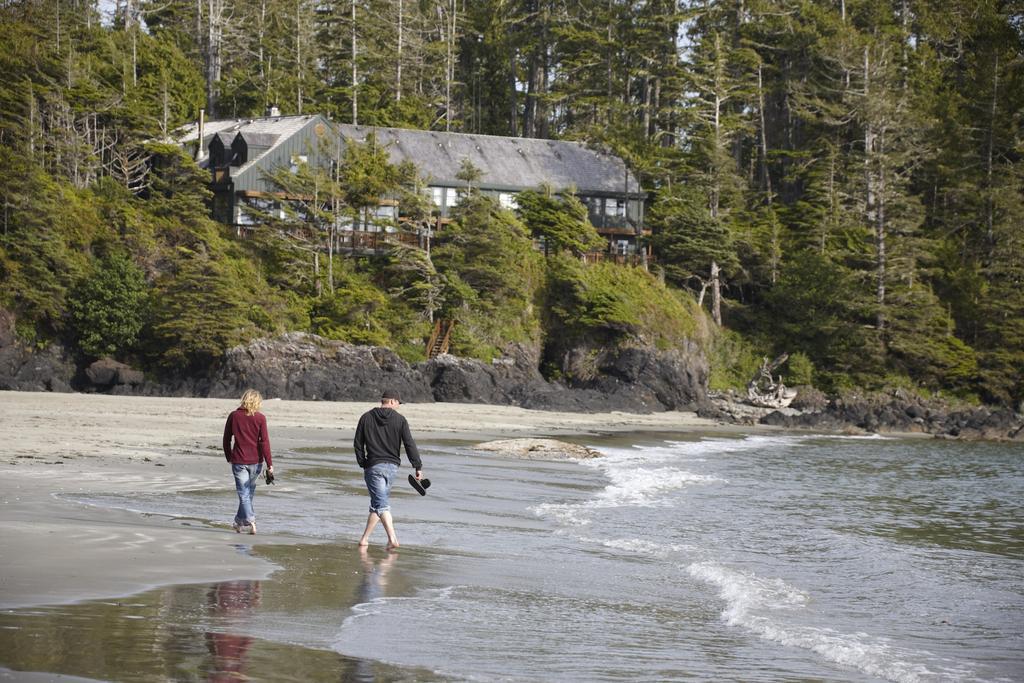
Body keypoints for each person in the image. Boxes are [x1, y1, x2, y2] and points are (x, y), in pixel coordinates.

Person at [354, 389, 423, 549]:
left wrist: (362, 462)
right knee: (378, 502)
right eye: (398, 403)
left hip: (374, 466)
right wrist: (417, 465)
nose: (399, 406)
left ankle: (392, 539)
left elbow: (358, 444)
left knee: (380, 503)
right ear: (392, 401)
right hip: (392, 467)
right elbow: (409, 443)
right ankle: (364, 539)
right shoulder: (400, 420)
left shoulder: (366, 417)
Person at [223, 389, 274, 535]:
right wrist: (270, 464)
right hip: (256, 461)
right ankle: (241, 522)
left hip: (239, 460)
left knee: (245, 494)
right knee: (247, 493)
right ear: (257, 402)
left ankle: (249, 521)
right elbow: (265, 442)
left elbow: (226, 439)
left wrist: (229, 456)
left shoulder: (234, 416)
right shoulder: (260, 418)